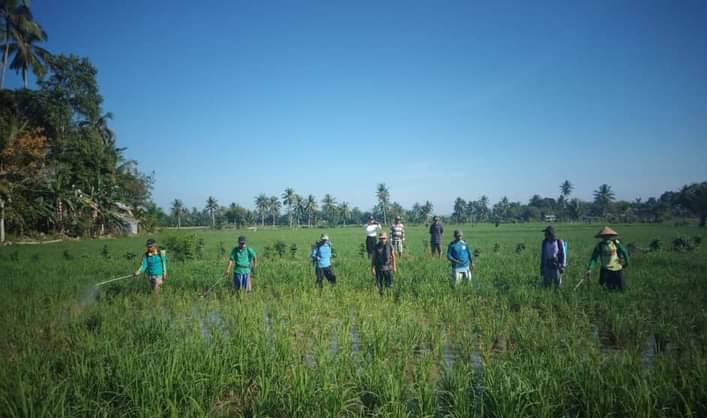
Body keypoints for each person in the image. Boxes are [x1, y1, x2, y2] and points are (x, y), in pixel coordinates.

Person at [585, 226, 630, 291]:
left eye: (608, 235)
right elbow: (594, 258)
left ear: (610, 236)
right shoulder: (599, 246)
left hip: (617, 269)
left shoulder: (616, 243)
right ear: (602, 237)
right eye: (604, 236)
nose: (606, 237)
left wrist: (627, 263)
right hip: (606, 270)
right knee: (608, 289)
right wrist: (590, 268)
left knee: (621, 289)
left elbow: (624, 251)